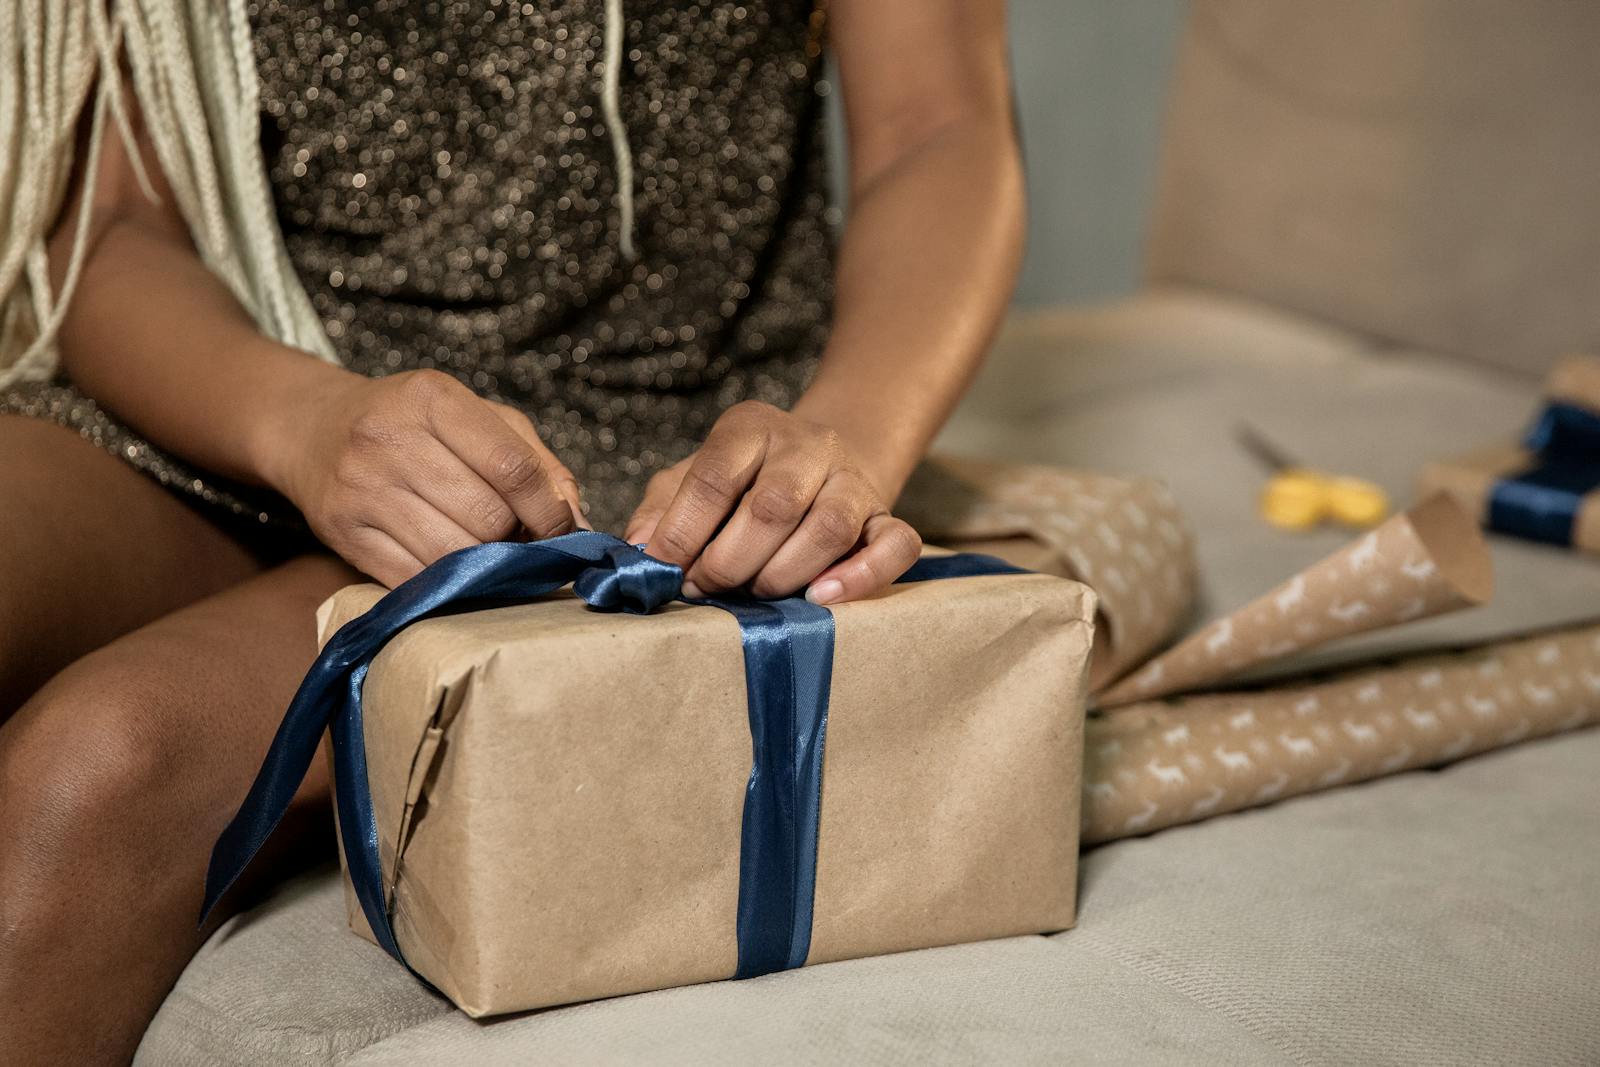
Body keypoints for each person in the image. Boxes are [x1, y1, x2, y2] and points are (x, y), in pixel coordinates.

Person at [0, 1, 1022, 1060]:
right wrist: (304, 422)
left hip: (636, 459)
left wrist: (839, 443)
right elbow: (113, 224)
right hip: (251, 379)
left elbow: (936, 125)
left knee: (97, 768)